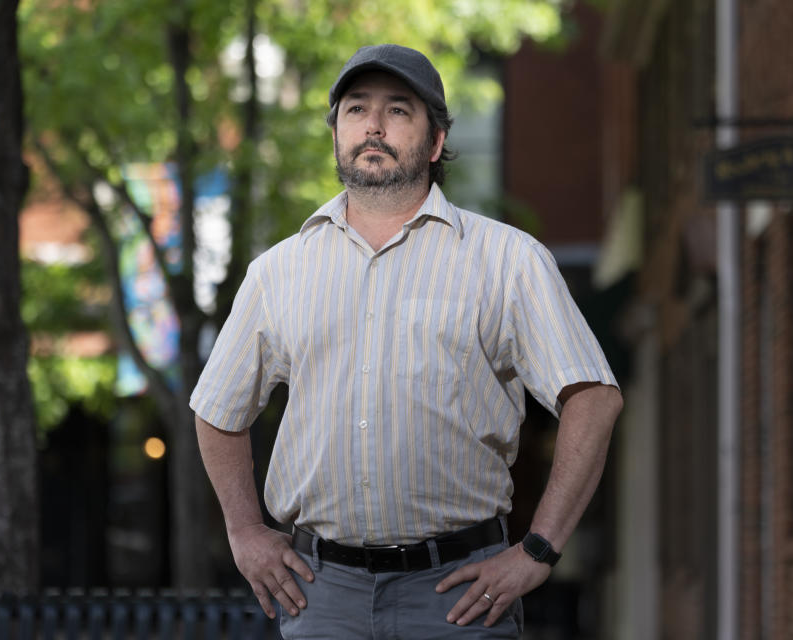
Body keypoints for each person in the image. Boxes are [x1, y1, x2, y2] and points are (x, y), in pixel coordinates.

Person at [191, 43, 623, 639]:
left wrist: (538, 551)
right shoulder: (277, 272)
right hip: (321, 595)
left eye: (398, 110)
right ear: (336, 135)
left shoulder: (508, 261)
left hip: (461, 597)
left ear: (436, 141)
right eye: (355, 109)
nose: (373, 125)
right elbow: (218, 411)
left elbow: (594, 399)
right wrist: (243, 532)